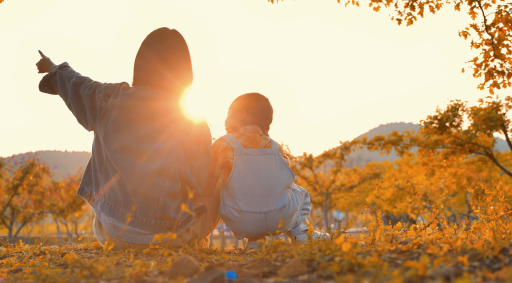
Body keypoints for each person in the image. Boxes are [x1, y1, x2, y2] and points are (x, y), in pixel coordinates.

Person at [36, 28, 221, 249]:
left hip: (110, 232)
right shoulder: (194, 123)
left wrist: (53, 68)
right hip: (164, 236)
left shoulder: (109, 97)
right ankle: (197, 244)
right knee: (217, 189)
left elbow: (77, 84)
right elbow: (198, 183)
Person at [203, 93, 328, 250]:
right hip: (280, 218)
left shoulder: (222, 144)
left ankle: (255, 242)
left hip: (240, 219)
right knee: (299, 193)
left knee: (238, 190)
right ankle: (301, 233)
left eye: (229, 113)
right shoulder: (276, 148)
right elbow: (281, 183)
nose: (225, 119)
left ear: (240, 115)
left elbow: (208, 185)